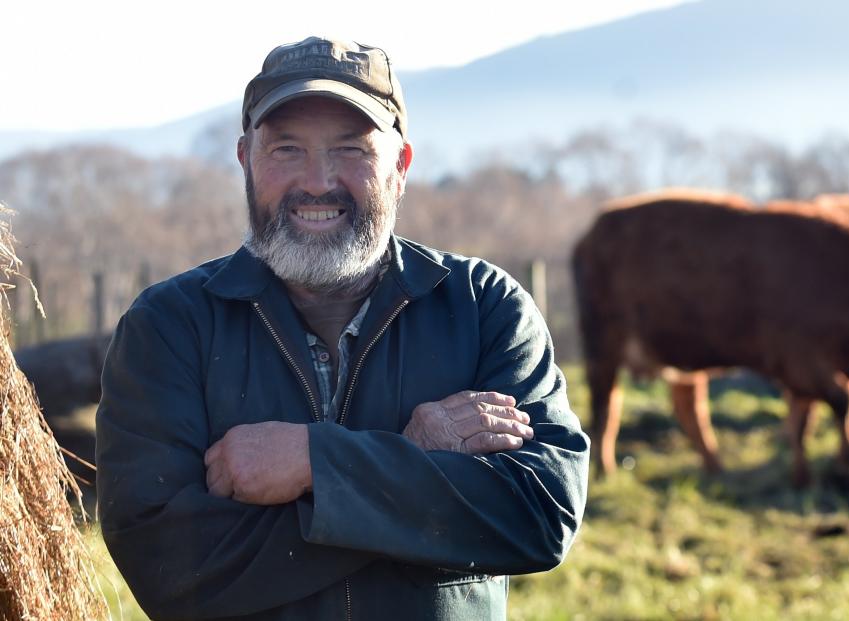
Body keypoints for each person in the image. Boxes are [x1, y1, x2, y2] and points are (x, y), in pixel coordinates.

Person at [96, 35, 589, 620]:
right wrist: (412, 466)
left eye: (351, 149)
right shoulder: (169, 327)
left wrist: (314, 462)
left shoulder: (485, 308)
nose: (318, 181)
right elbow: (168, 567)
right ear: (245, 160)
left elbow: (539, 515)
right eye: (285, 149)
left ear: (400, 166)